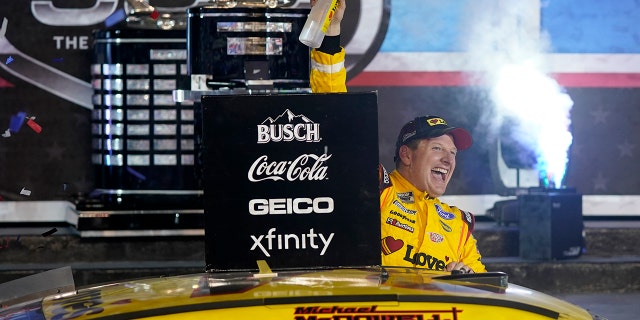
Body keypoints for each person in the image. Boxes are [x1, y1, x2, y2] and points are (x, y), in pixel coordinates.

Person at [308, 0, 486, 273]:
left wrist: (468, 279)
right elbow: (336, 120)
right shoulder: (377, 191)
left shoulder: (458, 224)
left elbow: (487, 290)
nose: (448, 159)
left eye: (453, 153)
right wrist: (331, 35)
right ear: (406, 154)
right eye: (437, 148)